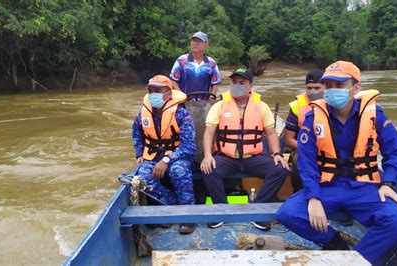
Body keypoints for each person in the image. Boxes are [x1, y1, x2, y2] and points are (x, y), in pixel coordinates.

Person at [276, 61, 397, 265]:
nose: (332, 90)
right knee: (288, 213)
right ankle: (335, 243)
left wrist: (388, 182)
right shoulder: (314, 117)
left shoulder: (374, 114)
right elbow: (307, 161)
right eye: (328, 85)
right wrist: (313, 196)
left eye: (339, 85)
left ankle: (357, 259)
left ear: (356, 88)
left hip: (365, 187)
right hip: (326, 186)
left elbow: (395, 150)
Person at [201, 67, 290, 231]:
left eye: (242, 82)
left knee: (281, 169)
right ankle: (221, 210)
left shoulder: (261, 106)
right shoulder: (219, 105)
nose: (237, 85)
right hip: (227, 158)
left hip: (253, 158)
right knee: (208, 169)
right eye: (234, 82)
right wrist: (207, 155)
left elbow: (271, 134)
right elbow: (209, 133)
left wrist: (276, 153)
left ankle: (257, 209)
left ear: (250, 86)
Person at [131, 75, 197, 234]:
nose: (153, 94)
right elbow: (136, 133)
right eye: (150, 90)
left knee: (178, 171)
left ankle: (189, 215)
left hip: (177, 156)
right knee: (142, 177)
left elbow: (189, 146)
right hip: (153, 156)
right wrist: (139, 153)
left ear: (169, 92)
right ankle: (172, 206)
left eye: (158, 90)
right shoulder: (144, 113)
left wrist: (167, 159)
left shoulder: (181, 114)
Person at [284, 69, 325, 192]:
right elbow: (289, 140)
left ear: (326, 86)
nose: (312, 91)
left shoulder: (335, 102)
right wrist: (309, 148)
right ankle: (299, 193)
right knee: (299, 162)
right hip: (302, 147)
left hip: (329, 147)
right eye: (309, 88)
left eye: (317, 88)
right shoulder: (297, 106)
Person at [169, 31, 221, 96]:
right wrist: (181, 96)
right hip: (183, 102)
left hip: (204, 103)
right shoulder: (181, 60)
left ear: (206, 45)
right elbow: (173, 81)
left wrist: (211, 97)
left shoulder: (212, 63)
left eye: (199, 41)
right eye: (194, 41)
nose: (195, 43)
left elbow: (215, 84)